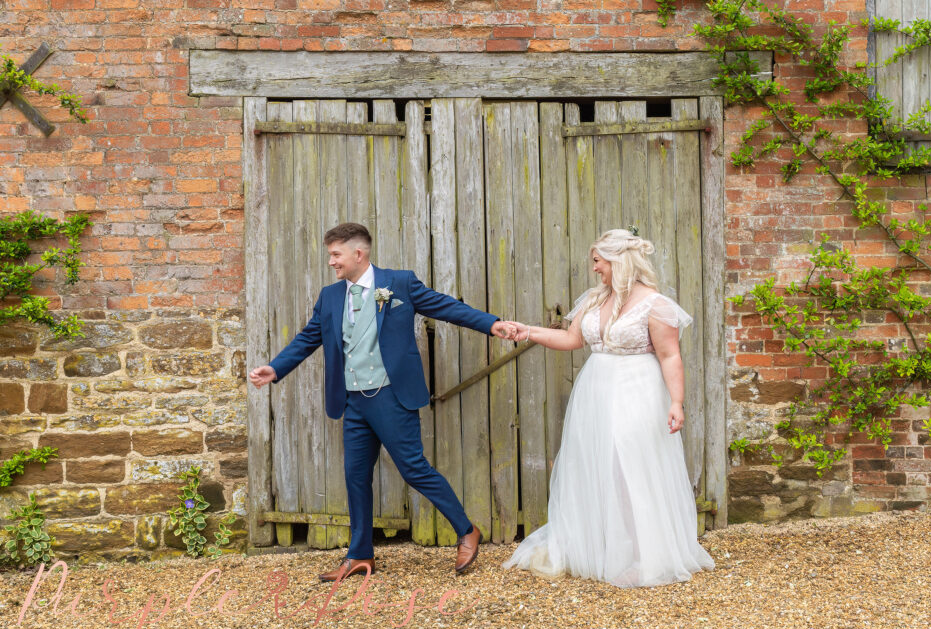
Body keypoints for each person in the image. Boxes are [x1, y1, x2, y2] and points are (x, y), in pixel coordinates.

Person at [249, 222, 518, 582]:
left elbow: (445, 307)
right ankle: (360, 554)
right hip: (353, 402)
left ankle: (466, 529)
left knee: (414, 469)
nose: (331, 262)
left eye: (335, 254)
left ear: (358, 254)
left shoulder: (399, 283)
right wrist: (275, 368)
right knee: (355, 476)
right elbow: (307, 338)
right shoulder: (330, 296)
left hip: (392, 396)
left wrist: (492, 324)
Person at [502, 229, 715, 588]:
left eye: (598, 261)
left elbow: (670, 355)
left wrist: (677, 401)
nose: (595, 269)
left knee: (629, 468)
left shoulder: (655, 304)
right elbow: (572, 339)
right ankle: (606, 547)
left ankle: (643, 555)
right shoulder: (593, 299)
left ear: (618, 261)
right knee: (598, 465)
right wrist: (529, 331)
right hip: (595, 392)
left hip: (638, 391)